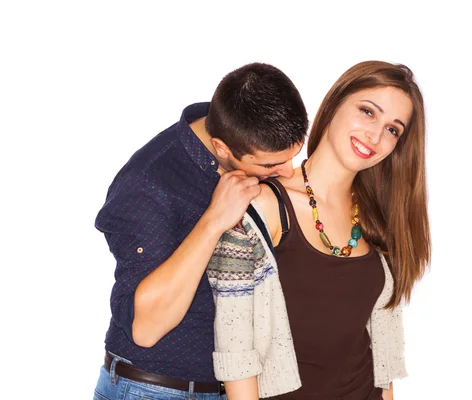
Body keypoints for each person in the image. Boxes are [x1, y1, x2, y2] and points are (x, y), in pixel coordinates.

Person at [208, 61, 431, 399]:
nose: (375, 136)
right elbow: (234, 352)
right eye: (368, 112)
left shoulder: (377, 219)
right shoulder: (259, 206)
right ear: (335, 103)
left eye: (393, 129)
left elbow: (381, 363)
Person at [93, 62, 308, 400]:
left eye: (293, 155)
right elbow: (145, 328)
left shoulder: (242, 126)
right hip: (154, 390)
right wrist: (213, 220)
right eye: (270, 164)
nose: (287, 170)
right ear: (222, 148)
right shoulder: (148, 185)